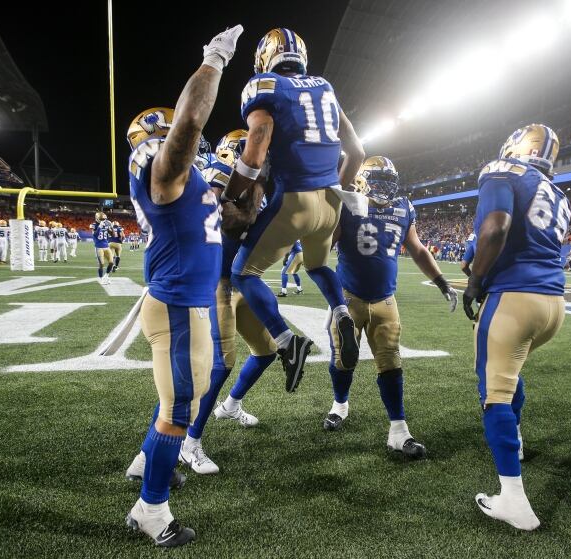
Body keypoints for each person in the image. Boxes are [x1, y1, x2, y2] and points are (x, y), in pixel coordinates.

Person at [122, 25, 242, 548]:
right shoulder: (164, 171)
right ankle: (151, 510)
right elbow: (191, 121)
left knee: (179, 400)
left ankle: (147, 462)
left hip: (183, 301)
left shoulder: (186, 179)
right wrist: (213, 61)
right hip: (176, 305)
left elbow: (223, 216)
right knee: (180, 411)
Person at [222, 27, 365, 393]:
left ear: (266, 56)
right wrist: (340, 194)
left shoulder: (265, 85)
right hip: (331, 200)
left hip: (294, 199)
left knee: (243, 273)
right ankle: (341, 312)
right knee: (317, 266)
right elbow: (357, 153)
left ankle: (287, 341)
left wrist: (231, 193)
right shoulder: (326, 88)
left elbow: (255, 147)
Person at [462, 124, 570, 531]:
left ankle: (515, 501)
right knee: (510, 373)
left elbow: (497, 228)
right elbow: (523, 235)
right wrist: (476, 250)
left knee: (495, 392)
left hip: (514, 298)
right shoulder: (556, 193)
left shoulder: (502, 169)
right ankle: (517, 442)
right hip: (553, 303)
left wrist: (475, 282)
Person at [323, 156, 457, 458]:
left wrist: (441, 282)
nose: (383, 188)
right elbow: (325, 245)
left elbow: (418, 249)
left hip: (385, 300)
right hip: (349, 296)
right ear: (362, 181)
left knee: (391, 362)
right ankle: (340, 405)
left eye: (388, 181)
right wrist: (330, 212)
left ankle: (399, 431)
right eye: (377, 180)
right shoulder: (349, 203)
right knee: (343, 360)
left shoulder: (404, 207)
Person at [172, 128, 277, 475]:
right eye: (251, 155)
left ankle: (230, 405)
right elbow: (225, 217)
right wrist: (253, 216)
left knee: (266, 350)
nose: (258, 161)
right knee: (223, 361)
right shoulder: (218, 172)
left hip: (242, 277)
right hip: (217, 280)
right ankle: (190, 442)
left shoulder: (260, 182)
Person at [91, 213, 114, 284]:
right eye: (102, 219)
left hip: (106, 246)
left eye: (104, 219)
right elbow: (95, 234)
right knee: (101, 264)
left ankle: (106, 276)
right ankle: (101, 279)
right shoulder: (94, 225)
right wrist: (100, 227)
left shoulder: (106, 224)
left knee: (111, 263)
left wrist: (111, 228)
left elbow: (112, 234)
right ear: (97, 218)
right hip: (99, 247)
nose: (103, 220)